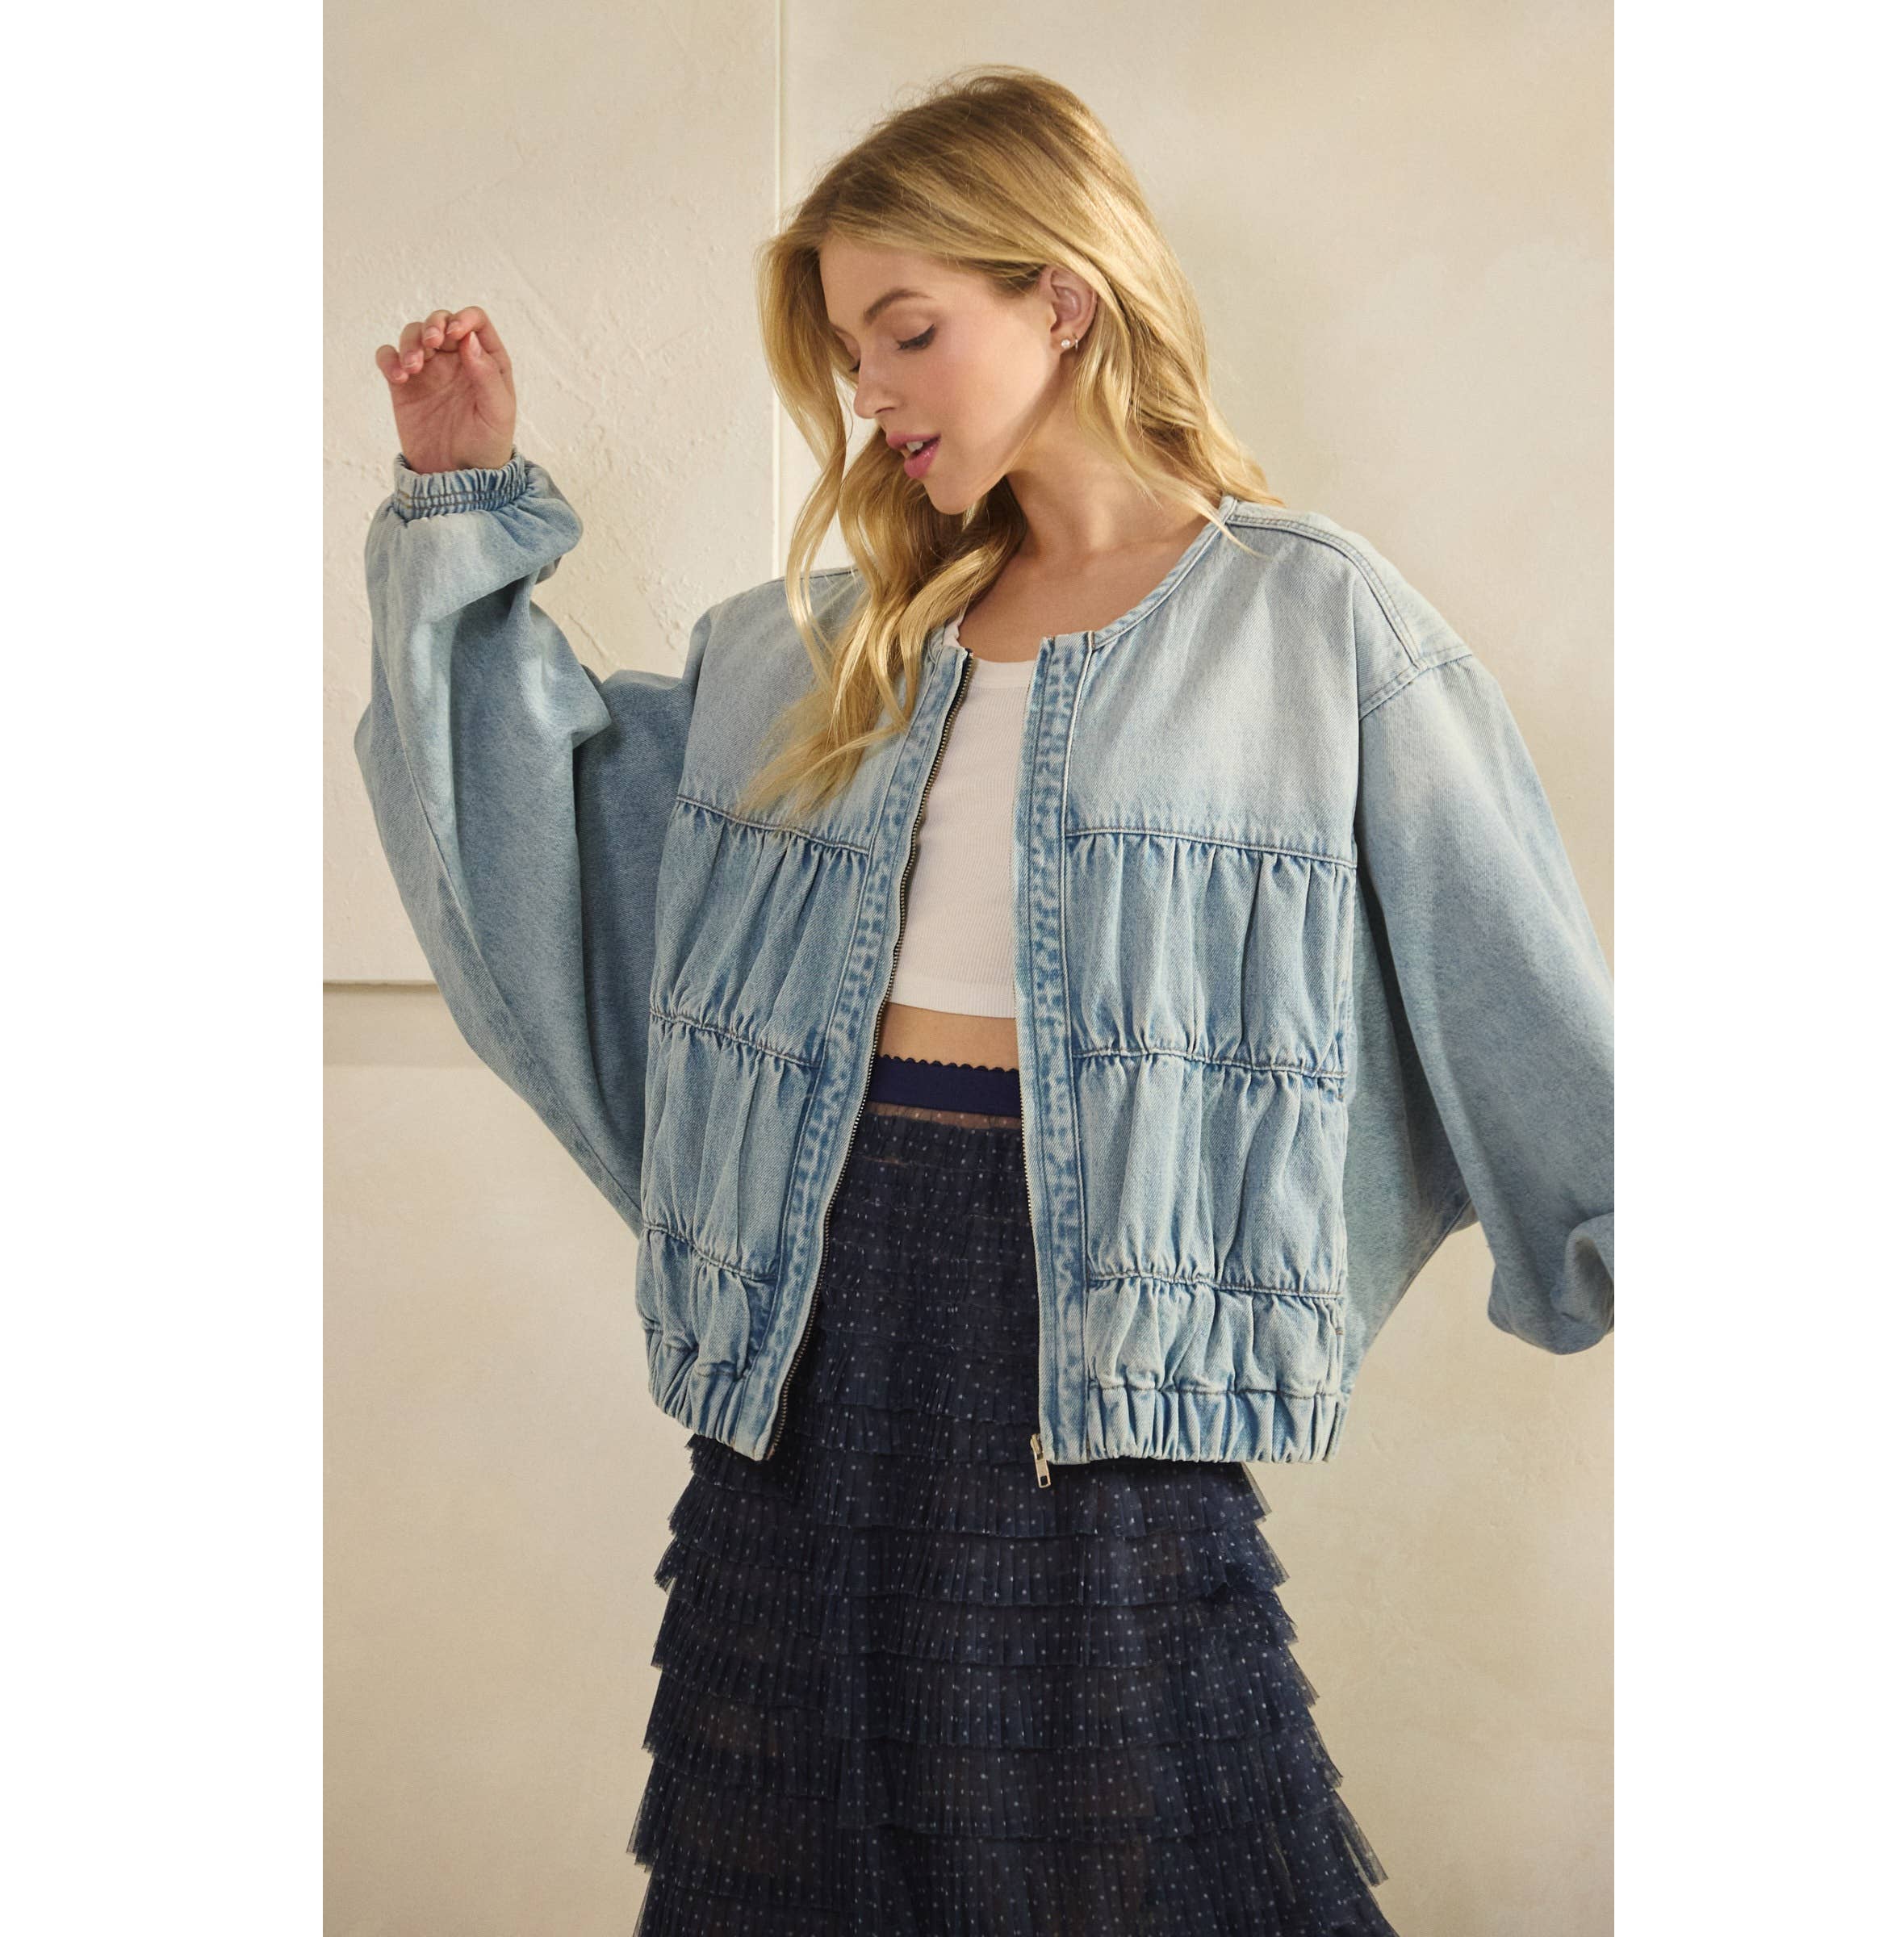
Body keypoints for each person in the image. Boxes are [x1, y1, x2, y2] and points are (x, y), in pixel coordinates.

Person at [358, 64, 1611, 1937]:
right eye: (850, 350)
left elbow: (1503, 956)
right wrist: (456, 506)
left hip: (1092, 1336)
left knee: (1148, 1855)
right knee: (795, 1860)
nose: (869, 390)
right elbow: (537, 820)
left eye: (909, 329)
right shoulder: (820, 647)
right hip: (809, 1310)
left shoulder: (1310, 624)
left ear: (1066, 300)